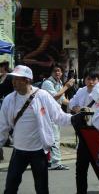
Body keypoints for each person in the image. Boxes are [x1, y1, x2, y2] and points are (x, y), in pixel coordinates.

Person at [0, 65, 73, 193]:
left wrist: (75, 119)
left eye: (17, 79)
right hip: (19, 151)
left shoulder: (42, 96)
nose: (14, 82)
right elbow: (3, 126)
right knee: (10, 187)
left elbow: (59, 116)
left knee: (41, 189)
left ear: (27, 80)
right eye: (13, 79)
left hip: (38, 151)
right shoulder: (9, 100)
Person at [68, 70, 99, 194]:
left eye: (94, 79)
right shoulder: (81, 91)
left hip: (98, 132)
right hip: (83, 133)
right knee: (81, 168)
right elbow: (71, 104)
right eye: (88, 79)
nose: (91, 82)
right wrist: (78, 109)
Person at [41, 63, 75, 170]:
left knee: (52, 138)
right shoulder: (47, 83)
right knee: (54, 139)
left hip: (56, 115)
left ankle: (49, 161)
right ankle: (56, 162)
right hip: (48, 115)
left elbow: (62, 99)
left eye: (59, 71)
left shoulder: (59, 83)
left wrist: (74, 106)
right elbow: (54, 97)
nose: (57, 73)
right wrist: (67, 86)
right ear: (51, 72)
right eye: (55, 71)